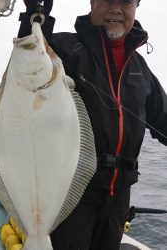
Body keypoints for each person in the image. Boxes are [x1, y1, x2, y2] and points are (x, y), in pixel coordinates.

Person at [18, 0, 167, 249]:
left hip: (118, 196)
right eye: (108, 0)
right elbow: (27, 67)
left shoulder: (140, 68)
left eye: (127, 2)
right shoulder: (63, 48)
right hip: (70, 192)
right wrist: (36, 14)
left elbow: (163, 118)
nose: (116, 9)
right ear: (92, 3)